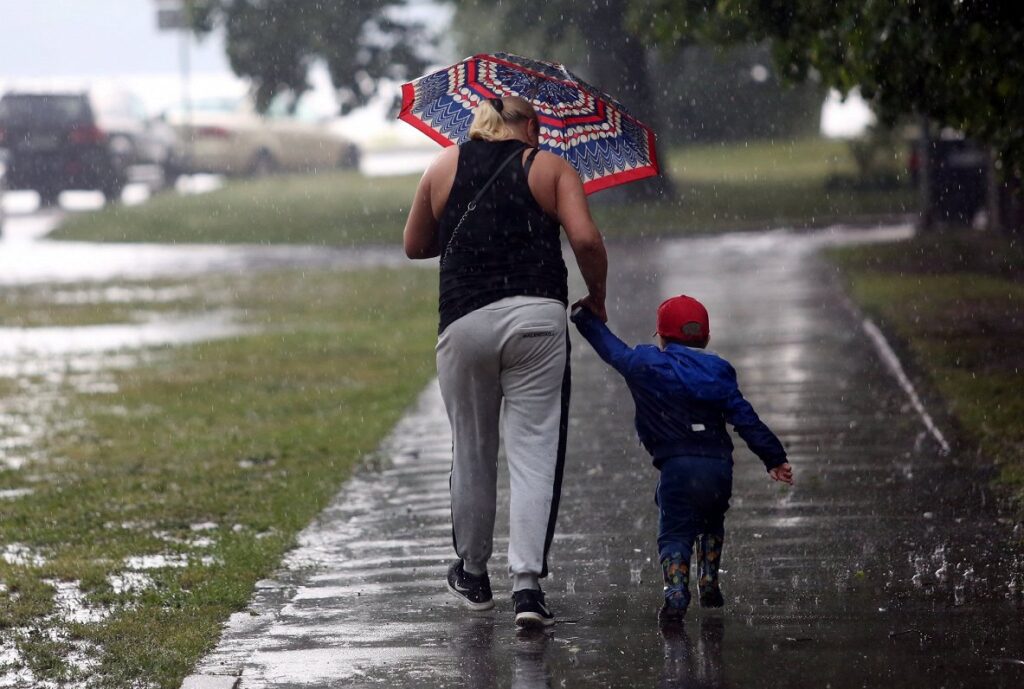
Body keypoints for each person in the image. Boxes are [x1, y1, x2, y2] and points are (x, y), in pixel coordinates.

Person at [403, 95, 609, 628]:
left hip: (464, 321)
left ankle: (473, 573)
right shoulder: (551, 167)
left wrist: (465, 239)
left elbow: (414, 245)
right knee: (535, 449)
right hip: (538, 319)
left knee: (472, 449)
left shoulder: (443, 165)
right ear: (533, 126)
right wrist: (598, 296)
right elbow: (585, 238)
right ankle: (527, 588)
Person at [570, 294, 793, 625]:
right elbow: (746, 418)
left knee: (675, 530)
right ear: (705, 337)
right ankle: (709, 580)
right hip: (718, 469)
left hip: (677, 468)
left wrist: (583, 317)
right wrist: (774, 457)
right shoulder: (719, 372)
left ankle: (676, 594)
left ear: (660, 335)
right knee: (711, 519)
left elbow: (612, 350)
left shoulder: (646, 367)